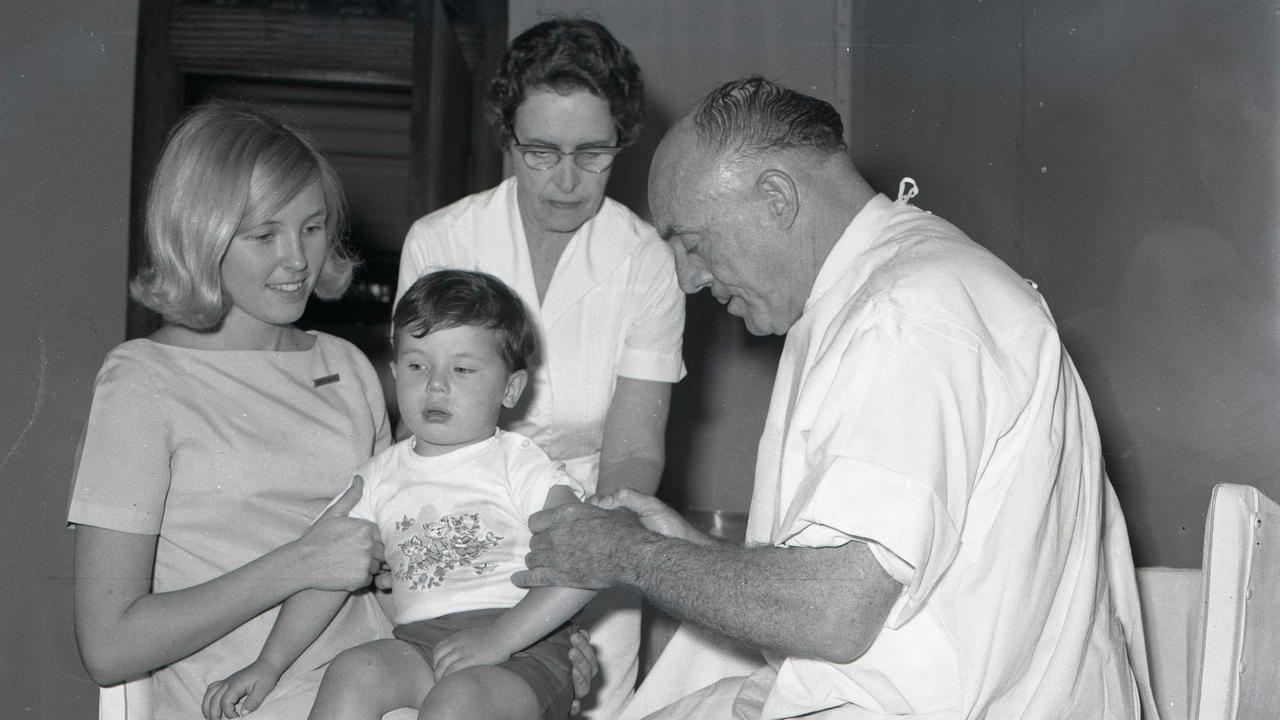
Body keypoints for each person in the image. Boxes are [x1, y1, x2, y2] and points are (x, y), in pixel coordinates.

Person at [516, 77, 1158, 719]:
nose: (687, 277)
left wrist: (630, 555)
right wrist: (687, 549)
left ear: (775, 197)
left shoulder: (906, 316)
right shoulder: (889, 287)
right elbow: (882, 590)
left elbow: (834, 613)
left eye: (691, 240)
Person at [68, 101, 595, 720]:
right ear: (199, 234)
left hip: (405, 679)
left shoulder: (347, 367)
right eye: (265, 235)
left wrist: (532, 643)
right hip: (250, 698)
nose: (297, 260)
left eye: (312, 228)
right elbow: (108, 648)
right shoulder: (141, 383)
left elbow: (407, 551)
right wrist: (296, 565)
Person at [396, 18, 685, 719]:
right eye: (540, 151)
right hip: (456, 540)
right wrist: (493, 617)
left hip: (590, 546)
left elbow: (634, 452)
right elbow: (421, 436)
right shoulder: (442, 241)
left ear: (623, 140)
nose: (564, 180)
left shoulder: (645, 259)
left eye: (593, 153)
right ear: (506, 136)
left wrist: (560, 611)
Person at [204, 269, 595, 720]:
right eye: (417, 366)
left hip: (524, 650)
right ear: (394, 373)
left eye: (462, 369)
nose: (435, 384)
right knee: (355, 669)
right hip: (421, 645)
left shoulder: (522, 465)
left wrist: (501, 638)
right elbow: (322, 575)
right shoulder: (377, 477)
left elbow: (585, 559)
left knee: (458, 702)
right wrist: (268, 664)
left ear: (511, 388)